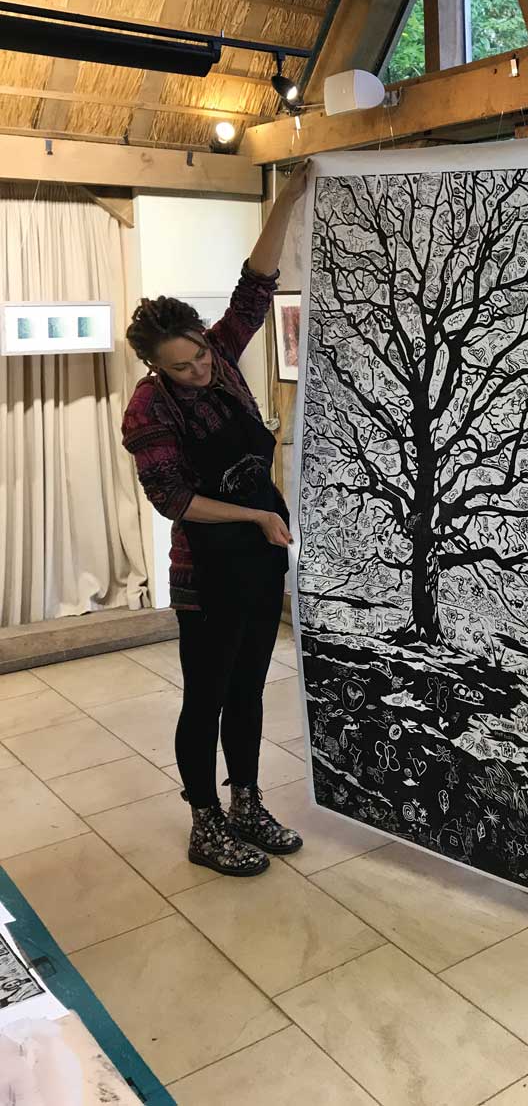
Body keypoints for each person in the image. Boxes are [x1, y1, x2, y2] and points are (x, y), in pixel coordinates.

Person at [121, 163, 310, 877]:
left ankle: (248, 800)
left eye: (199, 352)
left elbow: (254, 287)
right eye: (183, 366)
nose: (200, 369)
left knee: (250, 687)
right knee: (206, 696)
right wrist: (257, 517)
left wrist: (287, 196)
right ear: (155, 367)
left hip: (259, 558)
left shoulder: (224, 357)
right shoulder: (149, 408)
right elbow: (174, 499)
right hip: (205, 572)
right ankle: (204, 819)